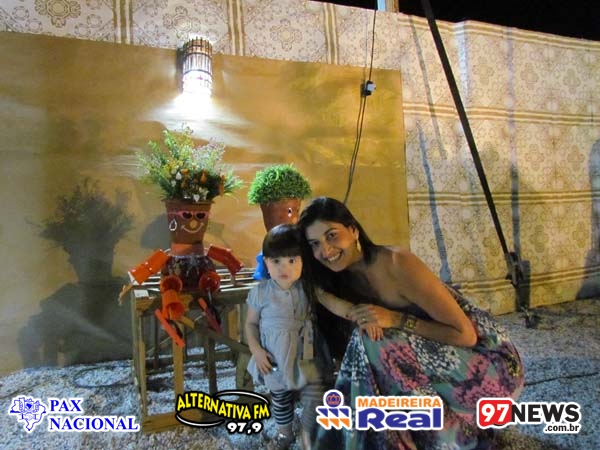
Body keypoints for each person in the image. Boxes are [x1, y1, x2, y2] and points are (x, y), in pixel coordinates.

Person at [297, 197, 525, 450]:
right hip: (440, 364)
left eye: (332, 236)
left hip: (492, 368)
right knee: (370, 342)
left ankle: (449, 438)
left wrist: (395, 319)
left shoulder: (397, 262)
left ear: (353, 230)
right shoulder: (338, 280)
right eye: (315, 244)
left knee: (375, 340)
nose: (325, 251)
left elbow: (466, 335)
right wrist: (318, 292)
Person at [245, 223, 383, 450]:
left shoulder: (308, 288)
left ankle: (307, 434)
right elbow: (250, 324)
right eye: (276, 261)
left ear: (304, 261)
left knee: (315, 396)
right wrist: (256, 350)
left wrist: (359, 315)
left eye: (292, 260)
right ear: (266, 262)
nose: (284, 268)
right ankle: (284, 432)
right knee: (280, 399)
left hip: (307, 356)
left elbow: (334, 304)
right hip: (274, 358)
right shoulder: (260, 292)